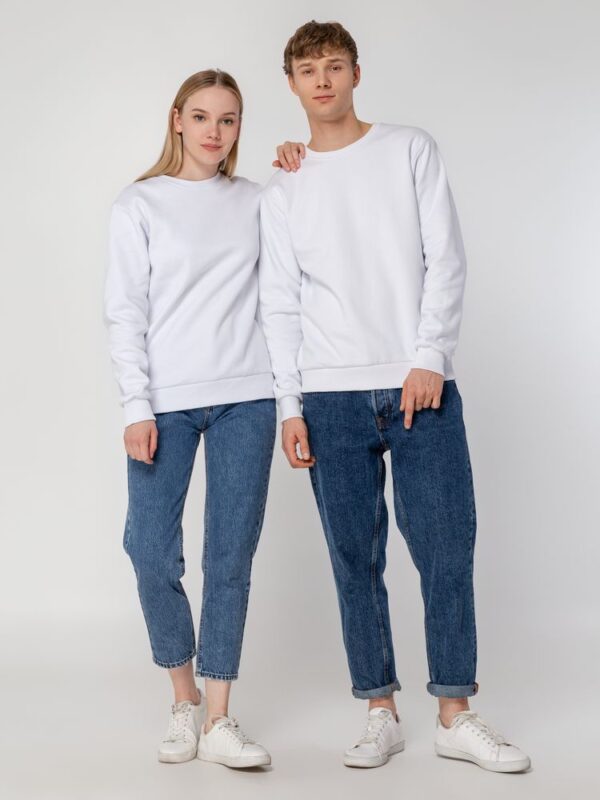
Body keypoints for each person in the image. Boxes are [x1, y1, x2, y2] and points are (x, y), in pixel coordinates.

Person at [259, 20, 531, 773]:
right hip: (328, 396)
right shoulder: (283, 184)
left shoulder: (410, 148)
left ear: (356, 73)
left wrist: (429, 356)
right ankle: (379, 709)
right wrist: (289, 406)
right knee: (355, 558)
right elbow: (279, 302)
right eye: (308, 69)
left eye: (334, 66)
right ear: (291, 83)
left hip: (420, 387)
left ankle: (454, 713)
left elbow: (445, 254)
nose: (322, 80)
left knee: (446, 548)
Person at [105, 68, 282, 768]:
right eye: (202, 117)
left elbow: (289, 281)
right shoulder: (139, 203)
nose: (215, 131)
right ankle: (184, 697)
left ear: (240, 128)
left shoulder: (259, 200)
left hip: (249, 395)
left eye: (229, 119)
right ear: (177, 119)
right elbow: (125, 312)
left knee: (230, 556)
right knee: (149, 549)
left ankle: (219, 715)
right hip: (165, 402)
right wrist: (136, 405)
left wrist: (299, 163)